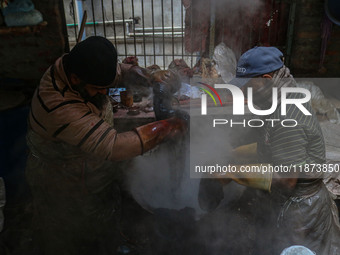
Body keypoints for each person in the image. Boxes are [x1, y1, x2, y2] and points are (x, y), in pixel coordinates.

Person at [26, 36, 187, 255]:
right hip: (65, 184)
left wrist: (150, 76)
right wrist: (166, 127)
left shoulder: (78, 65)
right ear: (74, 79)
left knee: (105, 224)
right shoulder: (58, 105)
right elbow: (114, 147)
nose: (104, 93)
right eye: (97, 88)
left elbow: (119, 72)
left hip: (92, 168)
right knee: (74, 238)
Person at [199, 46, 340, 254]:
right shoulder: (276, 98)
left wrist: (229, 174)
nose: (243, 91)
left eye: (247, 86)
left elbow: (286, 179)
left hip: (301, 211)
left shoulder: (287, 113)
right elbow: (266, 143)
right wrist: (229, 155)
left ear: (265, 79)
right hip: (286, 202)